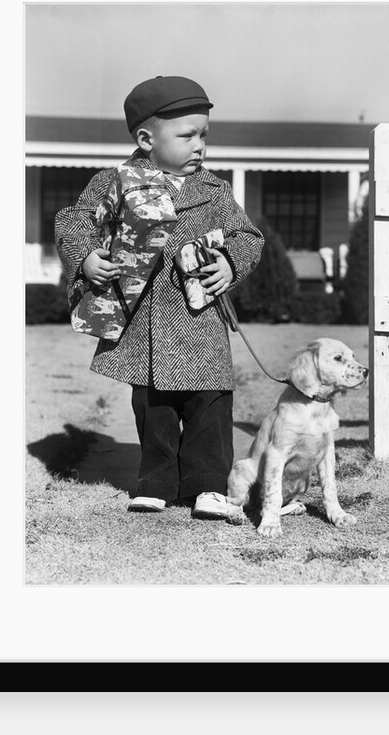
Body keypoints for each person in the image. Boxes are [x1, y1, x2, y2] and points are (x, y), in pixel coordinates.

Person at [55, 75, 264, 519]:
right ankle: (157, 482)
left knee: (209, 403)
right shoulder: (117, 182)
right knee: (154, 408)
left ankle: (208, 485)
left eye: (204, 134)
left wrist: (230, 262)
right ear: (146, 139)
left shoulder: (215, 190)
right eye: (187, 135)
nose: (199, 146)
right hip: (144, 319)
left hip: (200, 318)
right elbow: (74, 221)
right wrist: (87, 256)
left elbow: (247, 236)